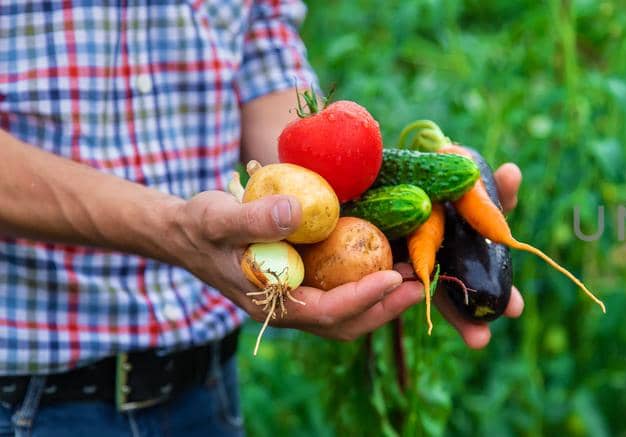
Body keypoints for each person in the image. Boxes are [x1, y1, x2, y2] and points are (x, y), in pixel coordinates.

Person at [0, 2, 525, 435]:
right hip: (27, 401)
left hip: (206, 393)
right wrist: (173, 229)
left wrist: (342, 203)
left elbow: (266, 49)